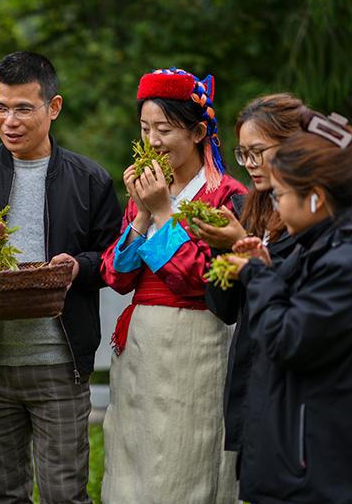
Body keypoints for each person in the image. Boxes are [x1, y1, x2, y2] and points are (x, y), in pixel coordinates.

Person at [0, 51, 121, 504]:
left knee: (64, 494)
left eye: (23, 108)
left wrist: (78, 267)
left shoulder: (88, 179)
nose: (9, 121)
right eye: (0, 107)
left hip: (59, 363)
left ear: (53, 108)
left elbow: (113, 257)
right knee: (4, 494)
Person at [226, 111, 352, 503]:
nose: (276, 206)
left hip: (318, 475)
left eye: (280, 195)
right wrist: (266, 270)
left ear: (316, 196)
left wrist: (258, 277)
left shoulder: (346, 263)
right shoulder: (326, 246)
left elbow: (286, 340)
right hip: (305, 464)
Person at [99, 67, 247, 504]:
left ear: (198, 132)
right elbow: (117, 277)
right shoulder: (147, 193)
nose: (152, 141)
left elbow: (199, 280)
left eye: (164, 129)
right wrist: (143, 213)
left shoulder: (226, 195)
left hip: (196, 339)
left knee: (186, 453)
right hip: (141, 340)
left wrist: (163, 211)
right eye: (145, 129)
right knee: (135, 450)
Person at [198, 94, 308, 469]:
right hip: (251, 367)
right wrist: (221, 247)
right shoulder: (247, 207)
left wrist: (241, 243)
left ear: (293, 146)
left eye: (258, 152)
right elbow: (224, 308)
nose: (249, 164)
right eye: (243, 154)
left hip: (292, 374)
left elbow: (298, 295)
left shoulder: (311, 218)